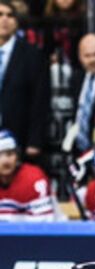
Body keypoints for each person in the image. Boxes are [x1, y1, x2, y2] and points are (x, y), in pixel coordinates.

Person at [0, 0, 50, 164]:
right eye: (0, 15)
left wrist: (34, 141)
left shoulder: (32, 55)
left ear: (17, 22)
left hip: (18, 137)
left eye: (10, 15)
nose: (5, 19)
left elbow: (39, 101)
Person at [0, 128, 54, 220]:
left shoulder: (33, 179)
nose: (5, 161)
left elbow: (44, 228)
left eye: (10, 154)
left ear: (17, 156)